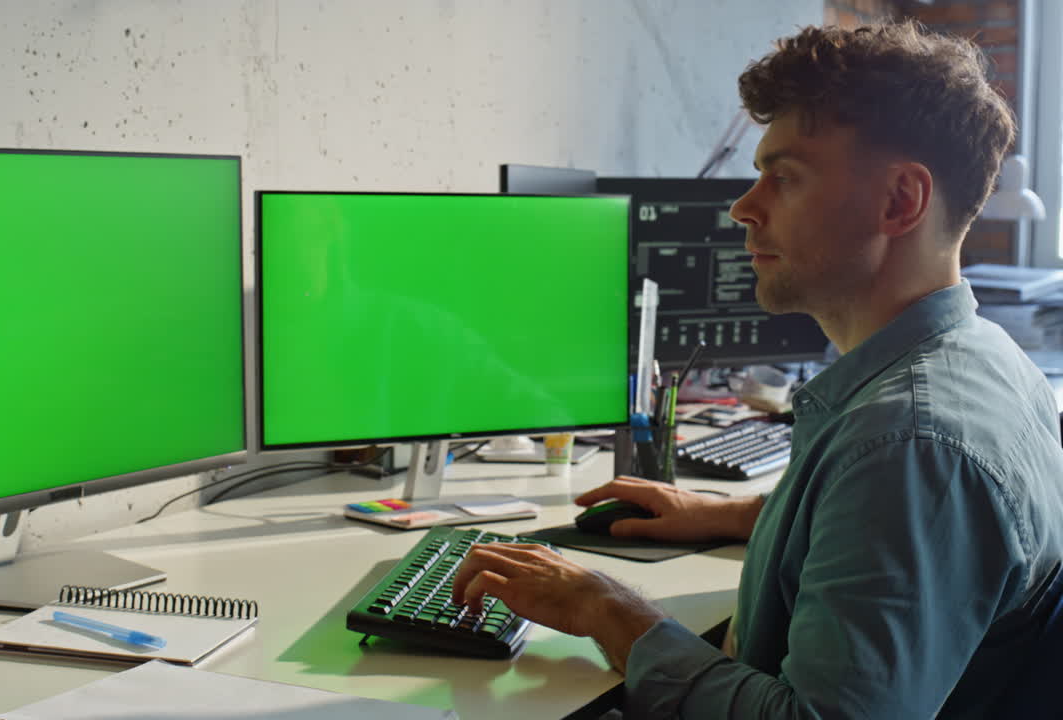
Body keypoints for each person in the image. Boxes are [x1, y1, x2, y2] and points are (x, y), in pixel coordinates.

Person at [451, 20, 1063, 718]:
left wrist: (607, 611)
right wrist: (731, 513)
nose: (745, 208)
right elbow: (889, 535)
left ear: (900, 201)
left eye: (785, 177)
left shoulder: (906, 445)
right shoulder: (986, 360)